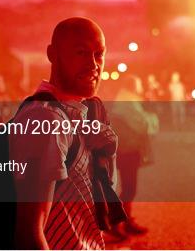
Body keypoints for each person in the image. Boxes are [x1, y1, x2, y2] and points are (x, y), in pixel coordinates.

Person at [10, 17, 119, 249]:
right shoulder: (45, 119)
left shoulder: (76, 115)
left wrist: (106, 154)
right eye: (81, 53)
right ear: (52, 54)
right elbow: (29, 233)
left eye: (99, 54)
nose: (93, 64)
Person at [108, 75, 158, 240]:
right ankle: (115, 222)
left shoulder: (127, 101)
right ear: (133, 87)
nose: (141, 87)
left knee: (129, 188)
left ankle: (125, 220)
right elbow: (143, 125)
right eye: (139, 85)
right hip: (127, 150)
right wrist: (152, 116)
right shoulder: (128, 104)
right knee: (129, 189)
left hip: (127, 148)